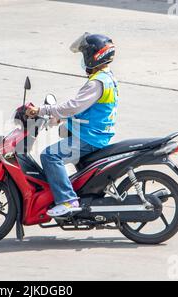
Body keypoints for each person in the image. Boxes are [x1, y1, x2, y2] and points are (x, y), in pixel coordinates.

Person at [25, 33, 119, 217]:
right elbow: (87, 109)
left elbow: (73, 106)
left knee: (50, 156)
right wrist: (59, 118)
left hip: (89, 137)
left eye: (85, 54)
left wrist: (42, 110)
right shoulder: (107, 78)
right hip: (95, 133)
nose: (83, 60)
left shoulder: (96, 83)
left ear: (94, 56)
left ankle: (67, 201)